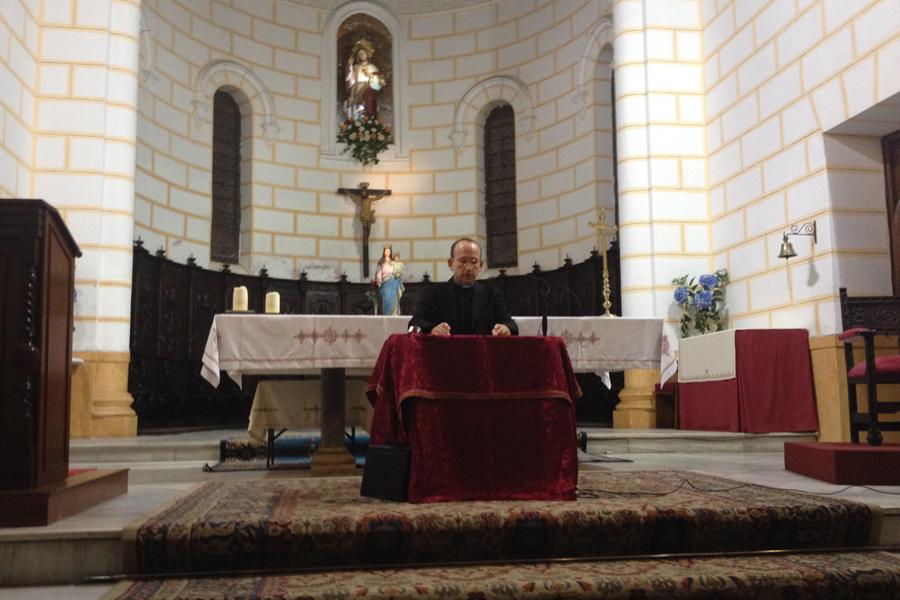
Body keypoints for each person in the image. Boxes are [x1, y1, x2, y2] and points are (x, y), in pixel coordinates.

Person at [409, 238, 518, 336]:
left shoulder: (492, 295)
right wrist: (432, 329)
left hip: (482, 355)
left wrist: (505, 328)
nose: (469, 268)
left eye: (474, 262)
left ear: (480, 266)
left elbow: (510, 323)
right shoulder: (432, 294)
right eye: (463, 261)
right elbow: (415, 323)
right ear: (451, 263)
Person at [344, 39, 382, 120]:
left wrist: (371, 77)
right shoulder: (356, 67)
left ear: (367, 54)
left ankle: (368, 121)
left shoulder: (372, 67)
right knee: (355, 106)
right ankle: (355, 122)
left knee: (368, 105)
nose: (362, 55)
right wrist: (349, 66)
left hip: (368, 90)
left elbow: (379, 83)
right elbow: (349, 78)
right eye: (360, 54)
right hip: (356, 90)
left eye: (363, 53)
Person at [375, 245, 403, 315]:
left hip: (393, 283)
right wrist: (379, 280)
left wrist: (398, 274)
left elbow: (398, 271)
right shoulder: (381, 262)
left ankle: (394, 314)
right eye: (386, 251)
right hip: (385, 285)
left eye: (389, 251)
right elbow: (379, 273)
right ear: (384, 252)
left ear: (390, 252)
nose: (387, 252)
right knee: (386, 300)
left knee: (394, 300)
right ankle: (387, 315)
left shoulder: (393, 262)